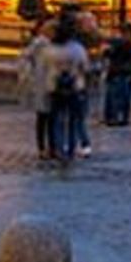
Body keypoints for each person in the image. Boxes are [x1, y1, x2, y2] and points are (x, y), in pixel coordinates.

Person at [44, 15, 90, 160]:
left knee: (57, 119)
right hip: (75, 87)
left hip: (54, 87)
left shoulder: (49, 50)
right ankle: (71, 147)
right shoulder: (78, 49)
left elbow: (44, 67)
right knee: (73, 119)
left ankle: (58, 147)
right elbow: (85, 67)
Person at [18, 19, 55, 159]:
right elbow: (26, 58)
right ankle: (45, 147)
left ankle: (50, 146)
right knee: (44, 118)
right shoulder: (40, 45)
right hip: (43, 84)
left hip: (46, 83)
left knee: (49, 118)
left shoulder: (50, 45)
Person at [103, 25, 131, 126]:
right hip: (120, 73)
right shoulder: (127, 44)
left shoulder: (125, 44)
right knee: (119, 97)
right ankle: (117, 117)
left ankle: (115, 117)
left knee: (118, 97)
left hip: (119, 73)